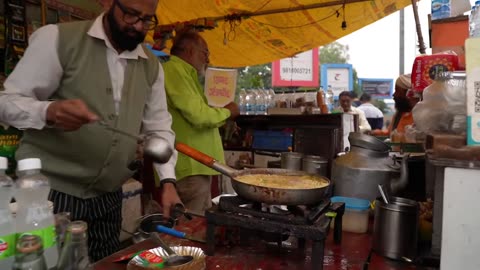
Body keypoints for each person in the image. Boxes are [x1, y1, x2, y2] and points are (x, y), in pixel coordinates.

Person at [0, 0, 183, 261]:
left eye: (147, 20)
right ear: (108, 2)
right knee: (46, 265)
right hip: (50, 194)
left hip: (108, 197)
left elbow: (159, 126)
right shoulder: (58, 39)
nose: (137, 27)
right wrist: (48, 112)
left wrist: (168, 182)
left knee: (103, 263)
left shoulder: (151, 65)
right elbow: (6, 103)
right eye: (130, 15)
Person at [161, 30, 240, 215]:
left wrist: (222, 118)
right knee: (191, 228)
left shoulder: (184, 73)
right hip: (188, 166)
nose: (208, 59)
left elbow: (197, 114)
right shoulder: (174, 69)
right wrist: (228, 112)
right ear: (189, 51)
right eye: (205, 53)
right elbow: (199, 116)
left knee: (199, 224)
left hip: (196, 166)